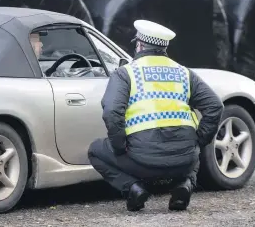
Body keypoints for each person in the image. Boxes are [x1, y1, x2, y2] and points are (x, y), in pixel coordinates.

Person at [88, 19, 224, 212]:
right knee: (193, 154)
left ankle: (133, 188)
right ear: (164, 47)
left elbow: (111, 112)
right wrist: (199, 140)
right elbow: (215, 106)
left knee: (95, 150)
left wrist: (119, 146)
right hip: (184, 160)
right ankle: (184, 185)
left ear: (139, 44)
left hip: (142, 160)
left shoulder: (126, 73)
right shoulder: (184, 73)